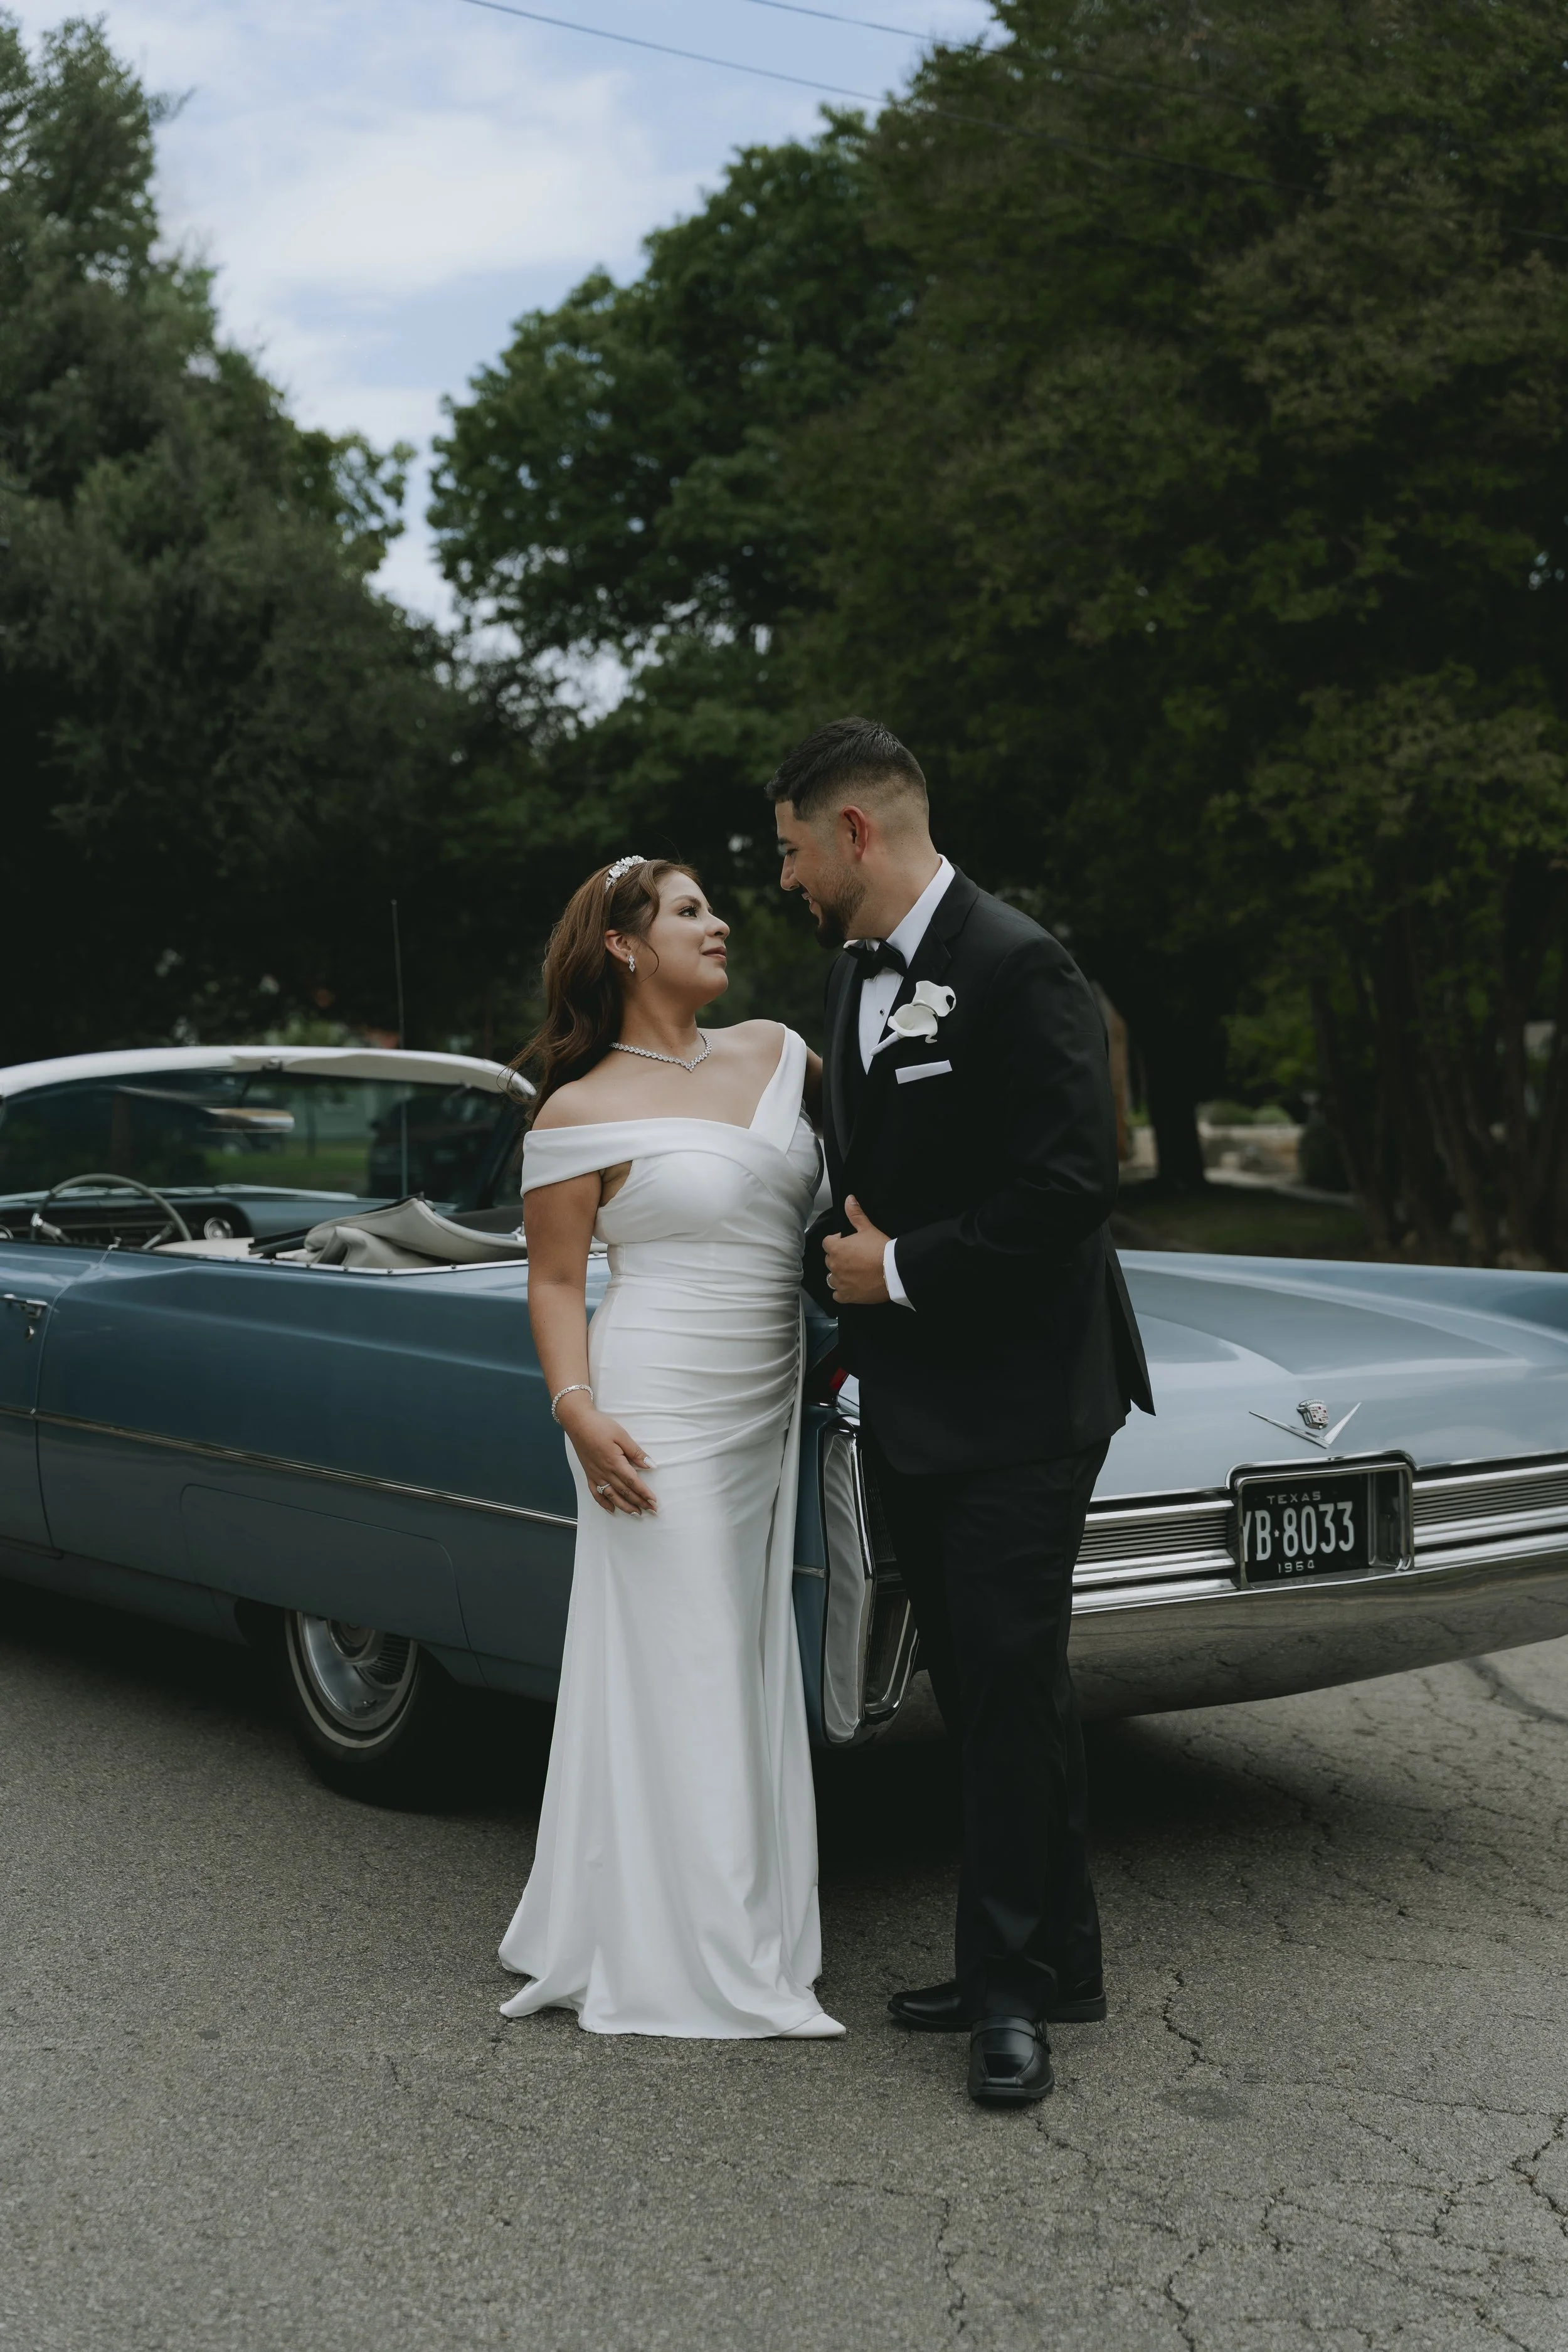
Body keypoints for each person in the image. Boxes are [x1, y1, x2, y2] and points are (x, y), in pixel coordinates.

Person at [770, 718, 1153, 2106]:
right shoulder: (847, 978)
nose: (786, 877)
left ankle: (1007, 2000)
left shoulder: (1017, 963)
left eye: (792, 847)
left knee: (996, 1689)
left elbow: (1067, 1195)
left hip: (1023, 1396)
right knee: (1002, 1684)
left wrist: (899, 1270)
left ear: (855, 833)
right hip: (921, 1392)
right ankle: (1063, 1955)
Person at [496, 854, 844, 2039]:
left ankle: (746, 1921)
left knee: (743, 1655)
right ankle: (698, 1954)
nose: (722, 921)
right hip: (653, 1410)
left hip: (766, 1404)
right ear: (627, 948)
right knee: (685, 1660)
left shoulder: (779, 1052)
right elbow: (553, 1283)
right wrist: (576, 1408)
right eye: (691, 909)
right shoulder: (577, 1109)